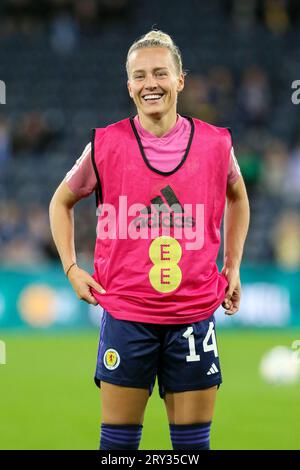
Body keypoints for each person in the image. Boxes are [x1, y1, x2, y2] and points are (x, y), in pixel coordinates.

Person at [49, 30, 250, 451]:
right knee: (118, 449)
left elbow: (238, 196)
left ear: (180, 80)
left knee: (192, 448)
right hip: (127, 314)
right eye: (139, 76)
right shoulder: (105, 144)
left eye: (161, 73)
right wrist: (71, 268)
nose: (150, 83)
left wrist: (232, 264)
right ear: (129, 85)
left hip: (193, 314)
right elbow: (60, 202)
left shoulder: (216, 144)